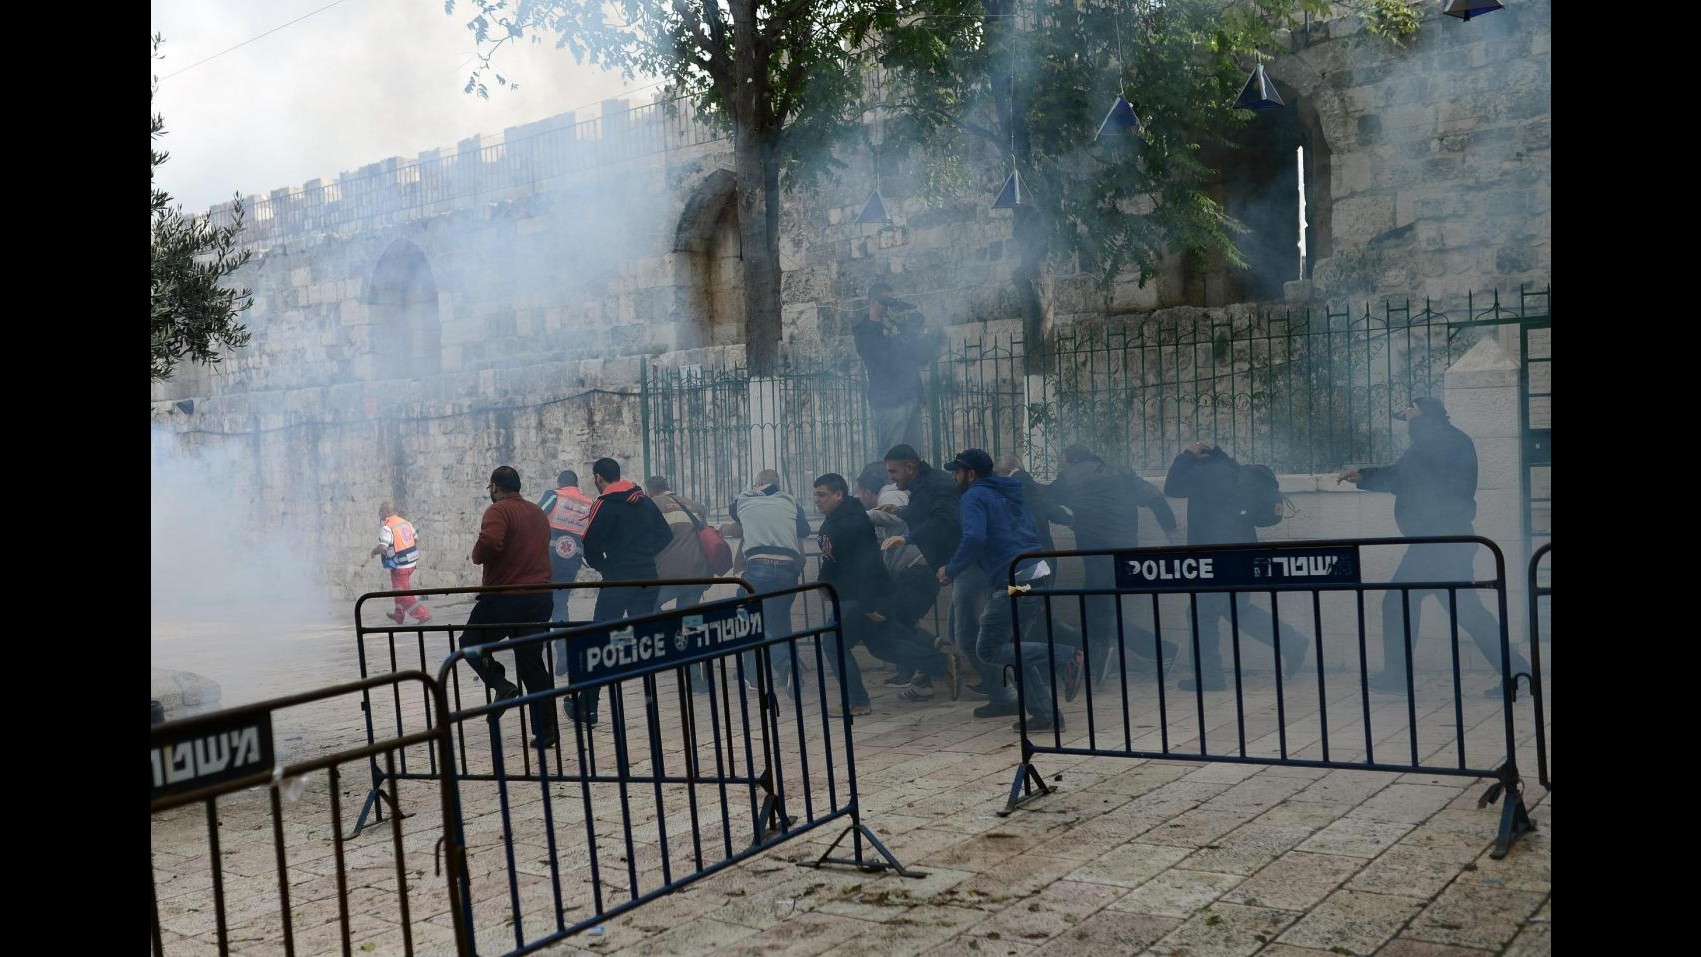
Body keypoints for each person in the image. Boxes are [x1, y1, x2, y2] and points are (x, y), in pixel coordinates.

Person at [1338, 397, 1532, 697]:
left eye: (1413, 412)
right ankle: (1518, 672)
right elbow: (1400, 474)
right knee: (1457, 610)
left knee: (1403, 602)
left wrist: (1415, 422)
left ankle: (1398, 677)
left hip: (1442, 543)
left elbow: (1406, 475)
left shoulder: (1444, 442)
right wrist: (1365, 476)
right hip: (1437, 543)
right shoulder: (1434, 442)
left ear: (1427, 415)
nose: (1408, 420)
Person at [937, 448, 1084, 732]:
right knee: (1014, 648)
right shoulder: (1010, 491)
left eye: (957, 471)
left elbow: (975, 536)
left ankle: (1066, 656)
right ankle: (1045, 715)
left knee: (989, 648)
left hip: (1014, 577)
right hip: (1035, 570)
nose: (954, 476)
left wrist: (951, 569)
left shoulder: (974, 496)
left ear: (971, 473)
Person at [880, 444, 1017, 714]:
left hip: (968, 565)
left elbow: (945, 521)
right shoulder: (926, 485)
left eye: (893, 471)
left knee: (966, 635)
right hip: (964, 565)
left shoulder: (937, 486)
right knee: (969, 633)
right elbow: (931, 514)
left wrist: (907, 537)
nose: (891, 477)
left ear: (910, 466)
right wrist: (901, 513)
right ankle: (1006, 689)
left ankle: (1008, 692)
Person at [1164, 442, 1311, 691]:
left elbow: (1171, 486)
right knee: (1237, 608)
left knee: (1202, 614)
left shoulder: (1203, 473)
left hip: (1216, 554)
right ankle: (1291, 642)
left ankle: (1210, 677)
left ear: (1202, 457)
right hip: (1242, 551)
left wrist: (1186, 456)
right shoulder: (1232, 469)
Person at [1043, 444, 1181, 683]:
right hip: (1126, 553)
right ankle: (1101, 663)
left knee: (1099, 613)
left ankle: (1162, 650)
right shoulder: (1121, 472)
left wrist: (1068, 520)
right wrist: (1171, 530)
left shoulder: (1070, 476)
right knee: (1099, 608)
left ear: (1069, 460)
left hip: (1097, 552)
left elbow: (1043, 499)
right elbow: (1156, 498)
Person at [572, 457, 673, 725]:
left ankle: (588, 706)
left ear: (598, 478)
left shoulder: (604, 505)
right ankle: (652, 703)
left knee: (599, 639)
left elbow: (589, 544)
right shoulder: (643, 500)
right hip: (647, 578)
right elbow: (665, 535)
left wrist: (607, 566)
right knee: (642, 637)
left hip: (618, 580)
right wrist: (644, 556)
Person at [463, 466, 557, 750]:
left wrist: (478, 554)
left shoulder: (498, 511)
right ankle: (547, 730)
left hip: (505, 596)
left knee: (469, 643)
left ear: (494, 487)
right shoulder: (537, 513)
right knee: (532, 663)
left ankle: (501, 683)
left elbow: (490, 541)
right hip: (540, 597)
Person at [853, 464, 955, 702]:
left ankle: (934, 660)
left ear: (868, 491)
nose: (859, 499)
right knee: (901, 623)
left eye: (859, 493)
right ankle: (926, 670)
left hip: (916, 570)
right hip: (917, 570)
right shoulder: (896, 493)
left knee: (895, 624)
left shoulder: (888, 494)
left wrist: (855, 516)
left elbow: (892, 513)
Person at [727, 468, 812, 690]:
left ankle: (775, 668)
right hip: (788, 569)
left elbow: (735, 515)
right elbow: (804, 529)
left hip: (758, 567)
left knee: (753, 621)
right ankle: (787, 673)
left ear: (758, 483)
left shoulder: (744, 500)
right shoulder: (791, 502)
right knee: (781, 621)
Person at [813, 473, 886, 717]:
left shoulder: (852, 522)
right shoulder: (834, 520)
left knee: (833, 643)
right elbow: (831, 558)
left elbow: (869, 563)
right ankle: (939, 662)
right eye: (815, 495)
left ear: (838, 495)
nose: (816, 500)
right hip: (846, 595)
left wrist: (866, 603)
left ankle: (858, 701)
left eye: (821, 495)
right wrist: (824, 581)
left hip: (855, 596)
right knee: (884, 643)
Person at [854, 283, 939, 455]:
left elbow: (920, 358)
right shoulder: (864, 331)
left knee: (912, 456)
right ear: (872, 301)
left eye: (892, 302)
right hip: (890, 402)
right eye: (885, 301)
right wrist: (898, 335)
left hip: (910, 397)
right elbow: (881, 361)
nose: (889, 306)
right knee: (891, 456)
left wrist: (922, 336)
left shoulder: (899, 327)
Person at [538, 470, 593, 674]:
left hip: (548, 556)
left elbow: (535, 517)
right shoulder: (588, 503)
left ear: (560, 483)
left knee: (541, 600)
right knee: (560, 604)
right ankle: (563, 652)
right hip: (572, 559)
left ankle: (537, 645)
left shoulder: (554, 494)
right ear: (576, 484)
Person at [645, 475, 714, 611]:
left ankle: (664, 631)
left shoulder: (651, 505)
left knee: (647, 605)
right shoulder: (694, 505)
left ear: (650, 490)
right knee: (689, 619)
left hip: (669, 573)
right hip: (698, 571)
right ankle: (688, 631)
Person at [369, 502, 432, 625]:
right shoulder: (405, 522)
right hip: (411, 562)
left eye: (380, 511)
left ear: (387, 512)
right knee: (399, 589)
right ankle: (399, 615)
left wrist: (373, 552)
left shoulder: (387, 528)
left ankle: (423, 615)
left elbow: (383, 548)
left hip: (400, 567)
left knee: (402, 594)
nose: (379, 514)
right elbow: (415, 538)